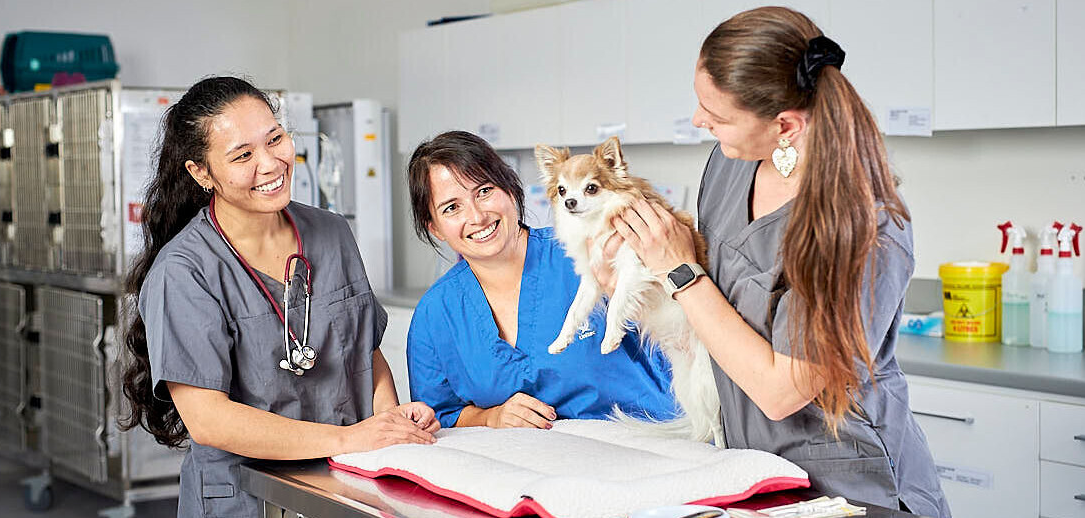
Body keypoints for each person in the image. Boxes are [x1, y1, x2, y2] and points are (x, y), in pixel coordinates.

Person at [601, 8, 952, 517]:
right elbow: (711, 304)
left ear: (784, 125)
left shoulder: (863, 227)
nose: (700, 121)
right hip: (752, 471)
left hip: (845, 487)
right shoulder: (728, 164)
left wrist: (677, 270)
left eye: (715, 115)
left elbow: (779, 391)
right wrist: (636, 269)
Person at [119, 76, 440, 518]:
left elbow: (366, 352)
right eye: (243, 155)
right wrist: (352, 438)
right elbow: (209, 419)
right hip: (246, 498)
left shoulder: (331, 233)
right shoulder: (185, 271)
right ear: (201, 173)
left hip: (345, 486)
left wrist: (392, 425)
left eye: (275, 139)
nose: (270, 164)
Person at [405, 131, 678, 429]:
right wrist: (490, 416)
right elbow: (437, 415)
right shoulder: (436, 313)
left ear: (510, 189)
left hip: (652, 445)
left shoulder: (595, 253)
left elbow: (683, 331)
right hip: (531, 467)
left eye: (484, 191)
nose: (477, 216)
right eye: (452, 208)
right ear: (435, 228)